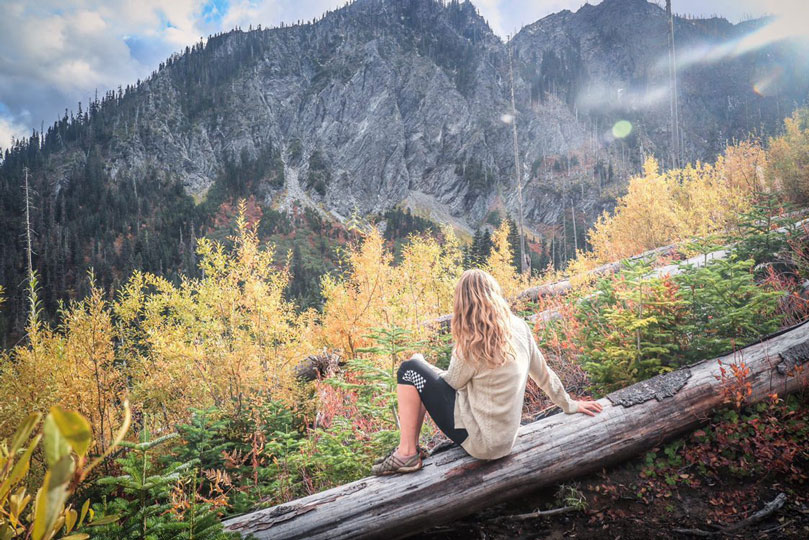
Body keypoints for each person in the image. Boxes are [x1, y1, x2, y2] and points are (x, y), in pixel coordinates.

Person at [372, 268, 603, 475]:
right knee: (419, 373)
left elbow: (452, 383)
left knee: (409, 370)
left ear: (462, 303)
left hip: (481, 443)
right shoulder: (519, 327)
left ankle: (406, 453)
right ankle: (409, 450)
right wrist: (569, 403)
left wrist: (422, 364)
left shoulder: (472, 342)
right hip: (505, 441)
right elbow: (543, 374)